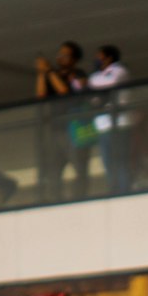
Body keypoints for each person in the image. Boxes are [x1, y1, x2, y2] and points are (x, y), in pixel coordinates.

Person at [35, 40, 90, 201]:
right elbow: (40, 96)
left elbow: (64, 91)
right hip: (55, 128)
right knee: (53, 168)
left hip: (74, 128)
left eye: (65, 55)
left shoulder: (79, 74)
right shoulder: (54, 75)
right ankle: (55, 199)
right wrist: (41, 73)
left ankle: (80, 197)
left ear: (74, 59)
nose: (60, 58)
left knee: (79, 166)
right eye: (60, 54)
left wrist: (50, 71)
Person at [88, 45, 133, 196]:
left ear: (109, 58)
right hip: (102, 126)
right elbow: (93, 95)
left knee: (120, 160)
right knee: (107, 162)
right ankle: (114, 190)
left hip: (119, 123)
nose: (97, 60)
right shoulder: (96, 76)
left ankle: (124, 190)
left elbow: (109, 84)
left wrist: (99, 95)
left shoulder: (120, 71)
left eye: (100, 57)